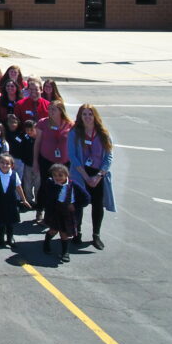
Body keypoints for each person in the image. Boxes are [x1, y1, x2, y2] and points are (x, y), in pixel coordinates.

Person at [68, 104, 115, 250]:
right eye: (84, 114)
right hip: (80, 173)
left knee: (97, 205)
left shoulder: (103, 134)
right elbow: (72, 156)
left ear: (95, 116)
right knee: (78, 205)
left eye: (90, 114)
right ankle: (77, 232)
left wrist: (99, 176)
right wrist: (85, 177)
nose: (87, 117)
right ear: (80, 117)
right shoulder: (75, 132)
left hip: (97, 174)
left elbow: (108, 157)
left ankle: (96, 235)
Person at [32, 100, 73, 224]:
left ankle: (57, 214)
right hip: (47, 160)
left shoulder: (70, 125)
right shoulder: (43, 123)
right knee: (45, 187)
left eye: (53, 110)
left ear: (61, 111)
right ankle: (40, 210)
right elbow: (37, 143)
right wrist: (35, 161)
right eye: (49, 109)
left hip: (64, 163)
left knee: (62, 188)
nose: (50, 112)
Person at [42, 163, 90, 263]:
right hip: (56, 212)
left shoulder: (73, 185)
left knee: (65, 234)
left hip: (67, 213)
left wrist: (75, 205)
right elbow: (47, 196)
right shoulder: (51, 184)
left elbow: (86, 198)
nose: (57, 178)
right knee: (53, 230)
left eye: (60, 175)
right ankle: (47, 242)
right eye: (54, 175)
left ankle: (65, 252)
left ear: (66, 175)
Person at [0, 152, 30, 248]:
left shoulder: (14, 175)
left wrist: (24, 199)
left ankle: (10, 238)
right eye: (2, 163)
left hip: (11, 201)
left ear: (12, 165)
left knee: (10, 222)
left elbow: (18, 187)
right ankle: (0, 238)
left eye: (7, 164)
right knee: (0, 221)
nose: (4, 165)